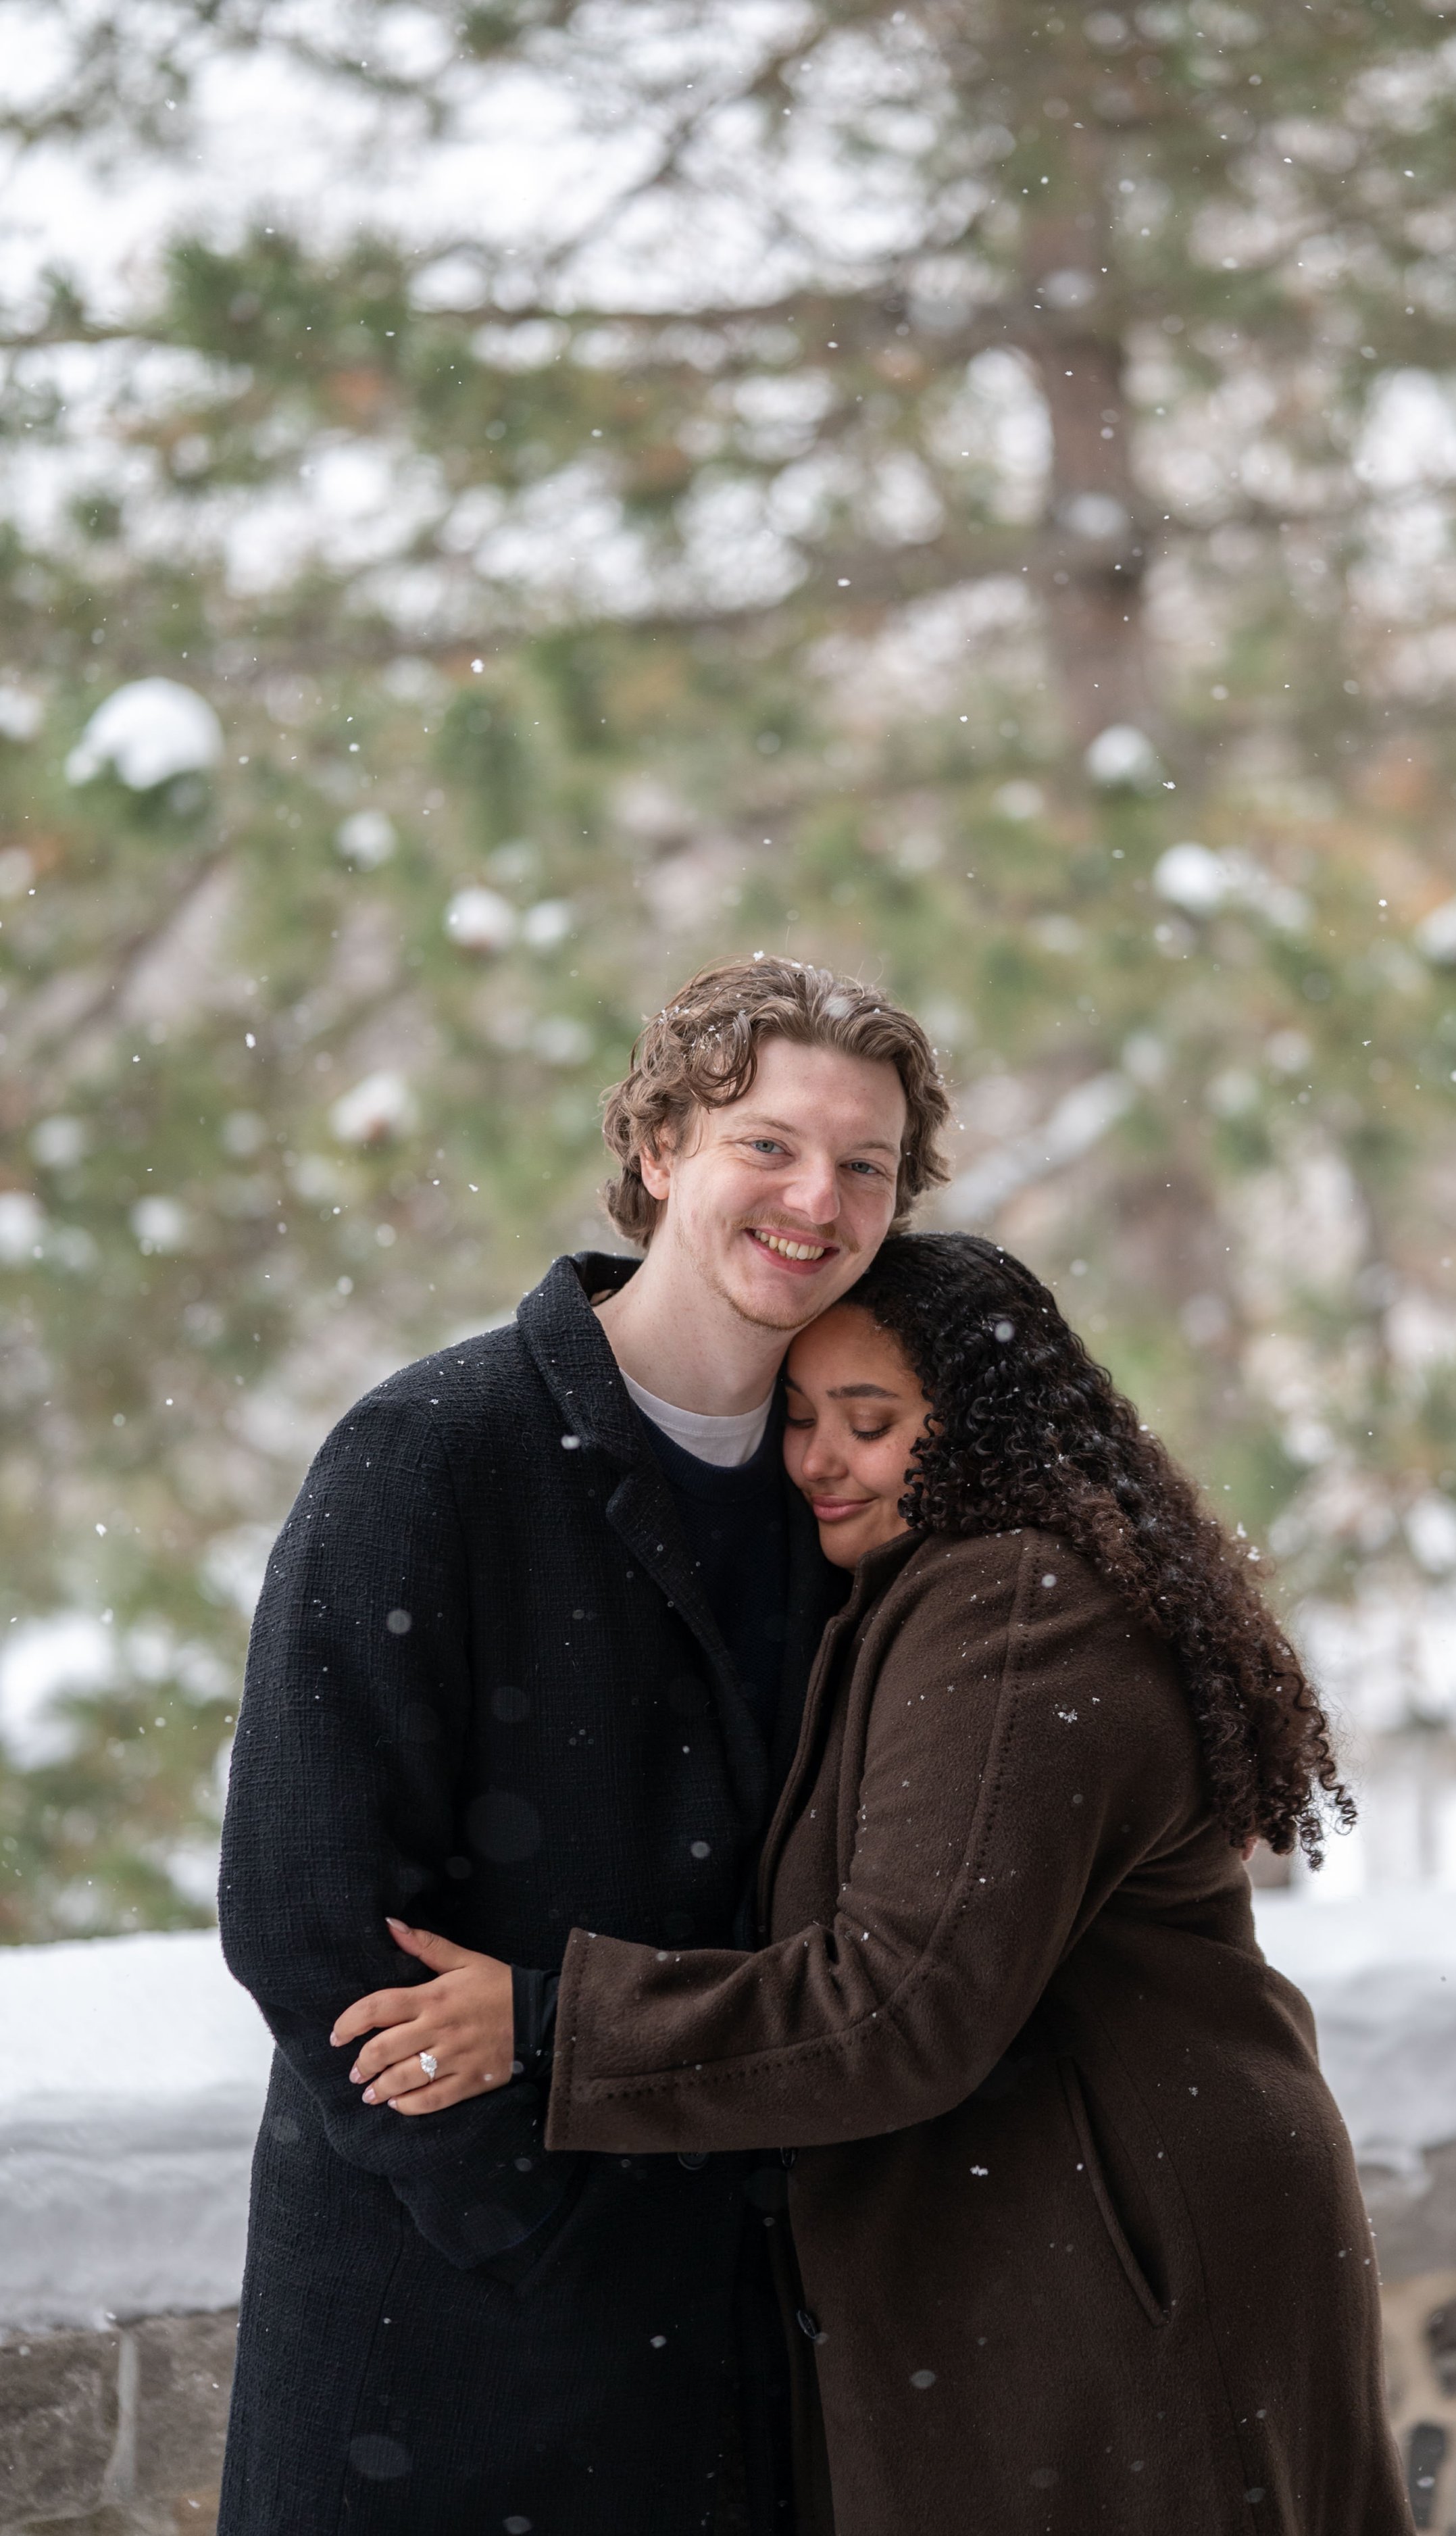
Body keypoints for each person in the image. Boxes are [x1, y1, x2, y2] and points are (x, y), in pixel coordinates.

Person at [336, 1233, 1414, 2535]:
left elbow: (899, 2000)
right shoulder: (931, 1588)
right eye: (799, 1418)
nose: (818, 1460)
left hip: (1122, 2265)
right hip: (1086, 2233)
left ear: (991, 1428)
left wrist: (552, 2020)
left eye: (871, 1421)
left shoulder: (1016, 1605)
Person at [215, 958, 950, 2536]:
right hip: (443, 2354)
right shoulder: (429, 1453)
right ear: (660, 1143)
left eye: (865, 1164)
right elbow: (307, 1914)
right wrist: (541, 2229)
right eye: (768, 1143)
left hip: (746, 2360)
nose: (816, 1200)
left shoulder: (848, 1500)